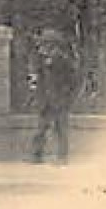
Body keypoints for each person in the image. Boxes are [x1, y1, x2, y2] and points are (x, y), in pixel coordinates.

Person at [29, 30, 78, 164]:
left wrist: (67, 97)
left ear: (53, 46)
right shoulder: (41, 61)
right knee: (40, 129)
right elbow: (38, 81)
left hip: (60, 101)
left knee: (61, 129)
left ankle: (62, 158)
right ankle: (36, 156)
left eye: (44, 45)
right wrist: (37, 97)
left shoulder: (64, 61)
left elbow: (73, 82)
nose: (41, 49)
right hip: (45, 101)